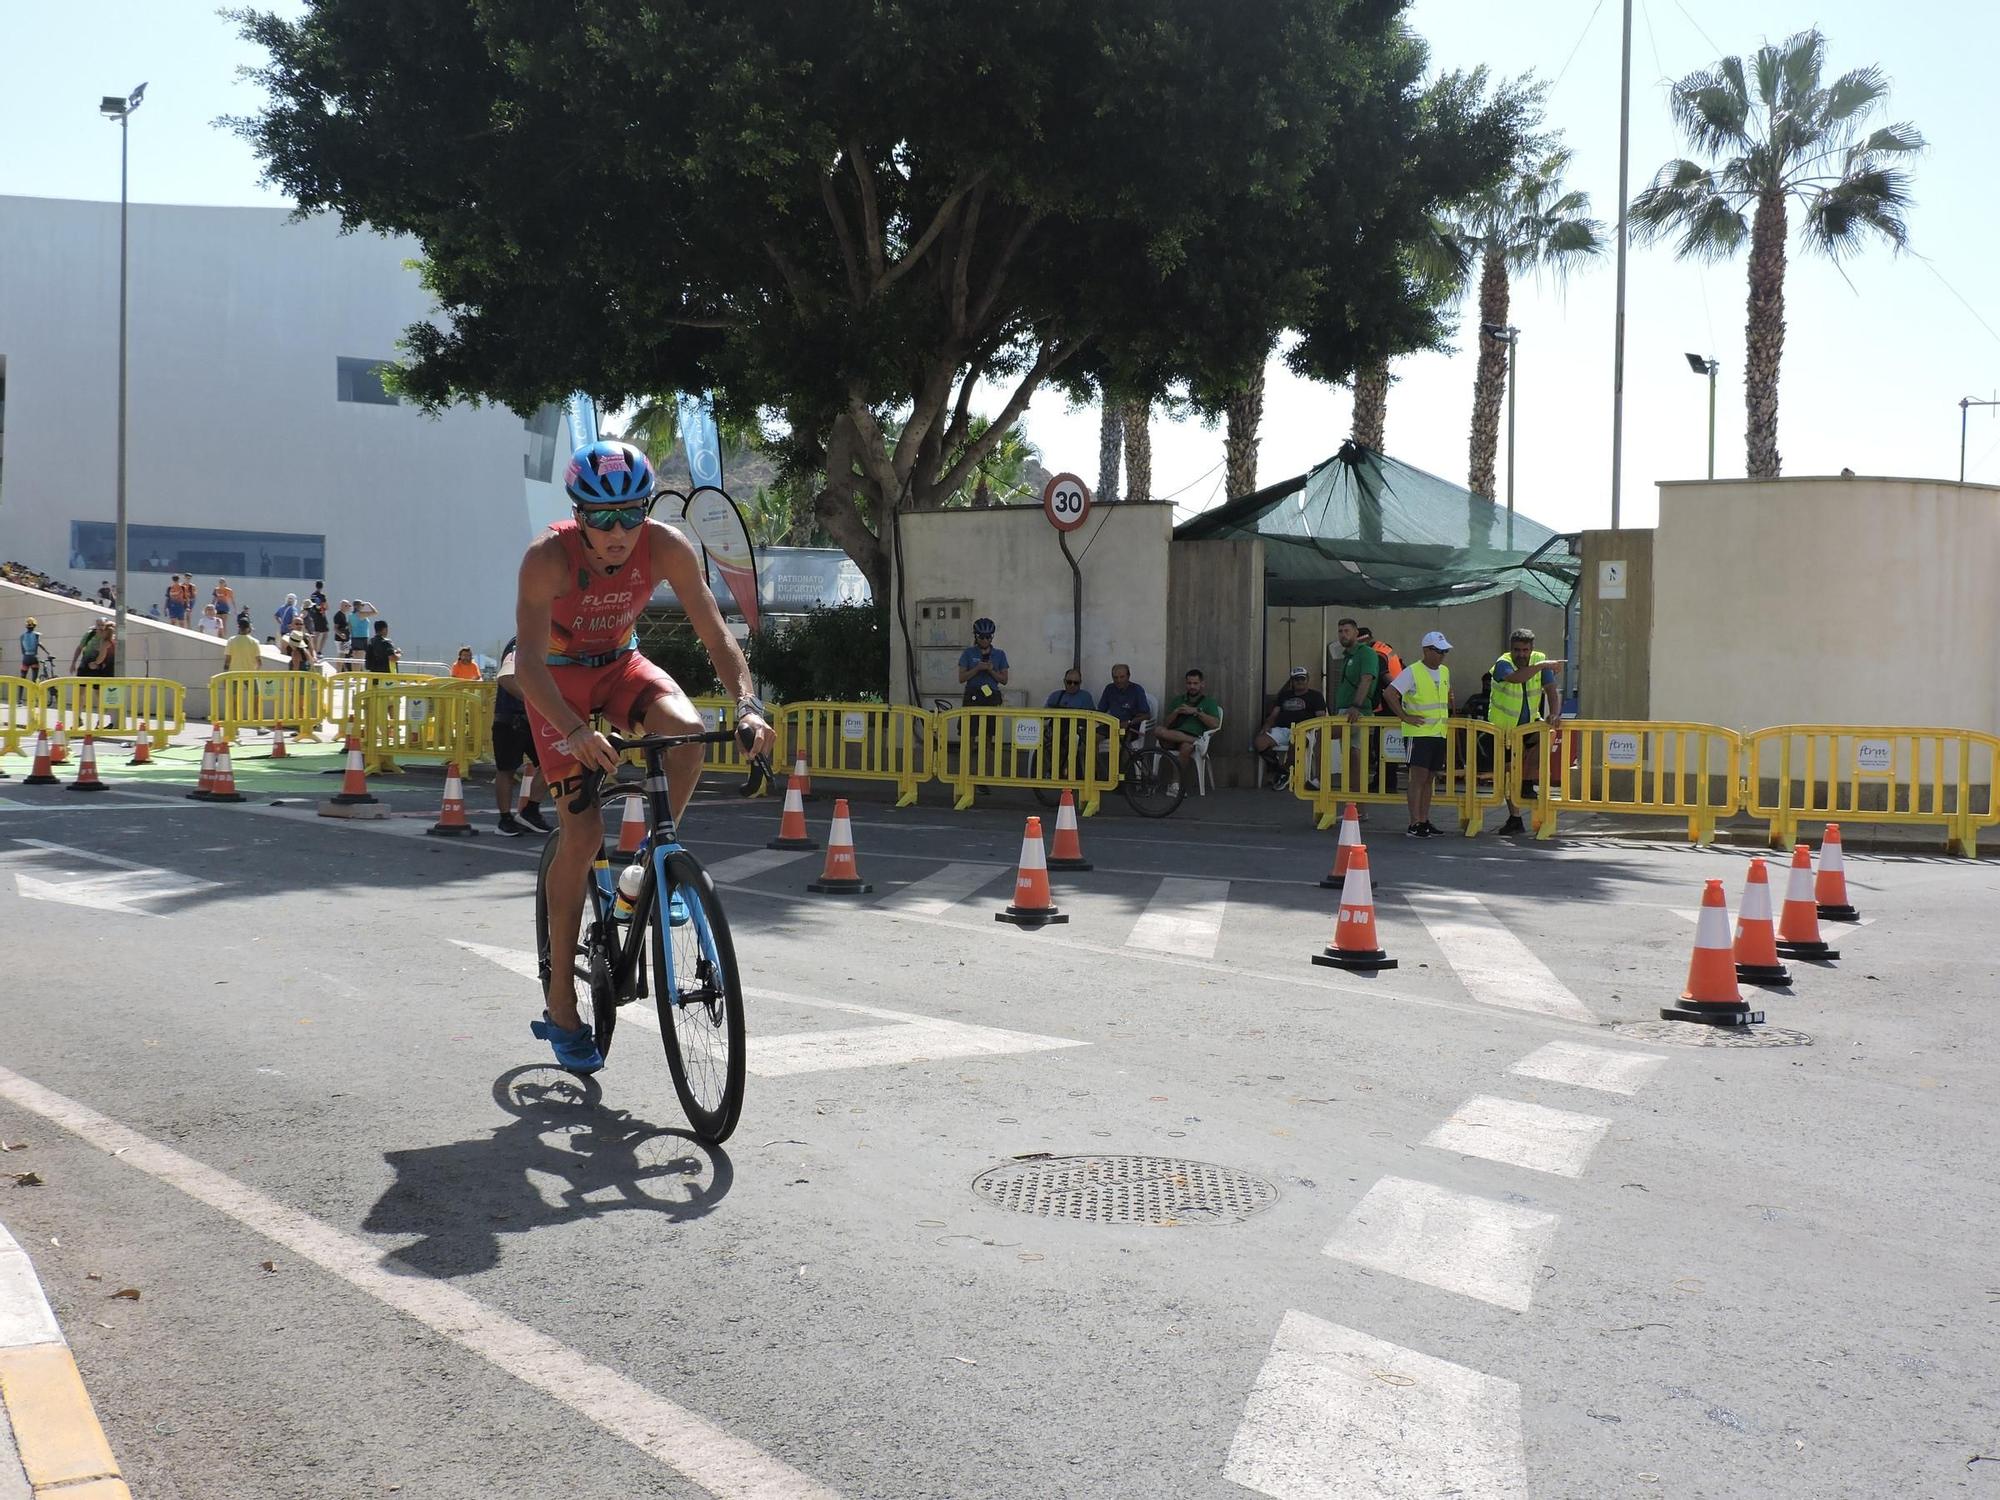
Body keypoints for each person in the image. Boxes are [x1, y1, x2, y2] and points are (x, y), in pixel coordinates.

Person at [513, 438, 773, 1074]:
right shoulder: (546, 559)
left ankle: (650, 865)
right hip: (555, 681)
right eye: (601, 518)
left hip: (621, 666)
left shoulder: (667, 546)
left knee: (685, 737)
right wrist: (573, 730)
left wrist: (747, 705)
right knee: (584, 832)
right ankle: (559, 1002)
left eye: (630, 514)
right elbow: (527, 665)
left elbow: (717, 635)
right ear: (577, 515)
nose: (616, 532)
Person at [1487, 628, 1564, 834]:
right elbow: (1517, 678)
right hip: (1504, 730)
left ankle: (1528, 782)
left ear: (1532, 649)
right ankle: (1515, 817)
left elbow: (1550, 690)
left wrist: (1555, 713)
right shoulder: (1503, 663)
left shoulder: (1539, 660)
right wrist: (1541, 665)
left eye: (1525, 650)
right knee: (1508, 774)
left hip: (1529, 724)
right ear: (1510, 649)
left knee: (1545, 735)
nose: (1521, 654)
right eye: (1517, 650)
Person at [1381, 631, 1454, 838]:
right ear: (1426, 650)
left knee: (1429, 778)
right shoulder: (1413, 671)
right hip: (1419, 732)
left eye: (1445, 651)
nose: (1442, 655)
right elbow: (1389, 693)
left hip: (1438, 731)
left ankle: (1424, 819)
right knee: (1418, 778)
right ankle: (1414, 823)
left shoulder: (1445, 671)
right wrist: (1405, 717)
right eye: (1439, 651)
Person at [490, 638, 551, 837]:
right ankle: (505, 819)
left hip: (534, 719)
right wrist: (536, 700)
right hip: (511, 718)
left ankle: (530, 811)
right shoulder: (522, 643)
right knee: (506, 769)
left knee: (551, 763)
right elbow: (506, 678)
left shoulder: (552, 645)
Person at [1253, 666, 1326, 789]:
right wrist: (1267, 725)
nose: (1299, 681)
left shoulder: (1316, 696)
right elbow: (1274, 714)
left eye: (1302, 678)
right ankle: (1281, 770)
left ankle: (1285, 772)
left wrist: (1307, 728)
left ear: (1307, 679)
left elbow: (1321, 718)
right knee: (1259, 742)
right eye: (1296, 679)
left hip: (1305, 730)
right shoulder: (1284, 695)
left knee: (1296, 741)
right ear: (1292, 681)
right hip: (1283, 729)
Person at [1155, 668, 1221, 769]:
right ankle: (1195, 740)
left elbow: (1215, 724)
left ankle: (1175, 783)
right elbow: (1166, 724)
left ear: (1202, 684)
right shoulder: (1178, 700)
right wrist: (1176, 712)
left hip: (1192, 738)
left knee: (1186, 747)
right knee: (1158, 730)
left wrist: (1196, 711)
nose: (1192, 686)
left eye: (1195, 683)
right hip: (1173, 738)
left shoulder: (1209, 702)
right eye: (1189, 683)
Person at [1042, 668, 1094, 780]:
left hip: (1076, 732)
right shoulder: (1056, 696)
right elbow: (1044, 715)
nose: (1072, 685)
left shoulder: (1085, 697)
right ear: (1064, 681)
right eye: (1069, 682)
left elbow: (1092, 718)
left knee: (1072, 742)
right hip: (1055, 731)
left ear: (1080, 683)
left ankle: (1070, 773)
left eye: (1076, 683)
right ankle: (1054, 771)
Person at [1097, 663, 1150, 738]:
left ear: (1128, 676)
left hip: (1131, 727)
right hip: (1112, 725)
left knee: (1121, 742)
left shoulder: (1137, 690)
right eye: (1115, 677)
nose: (1119, 680)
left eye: (1122, 677)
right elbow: (1101, 711)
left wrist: (1129, 722)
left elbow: (1147, 715)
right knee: (1093, 737)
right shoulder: (1109, 689)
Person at [306, 582, 330, 655]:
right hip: (321, 615)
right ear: (322, 587)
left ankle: (314, 650)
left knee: (316, 633)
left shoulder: (312, 595)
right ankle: (319, 650)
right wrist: (325, 608)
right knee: (325, 633)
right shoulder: (322, 595)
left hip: (314, 615)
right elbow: (325, 606)